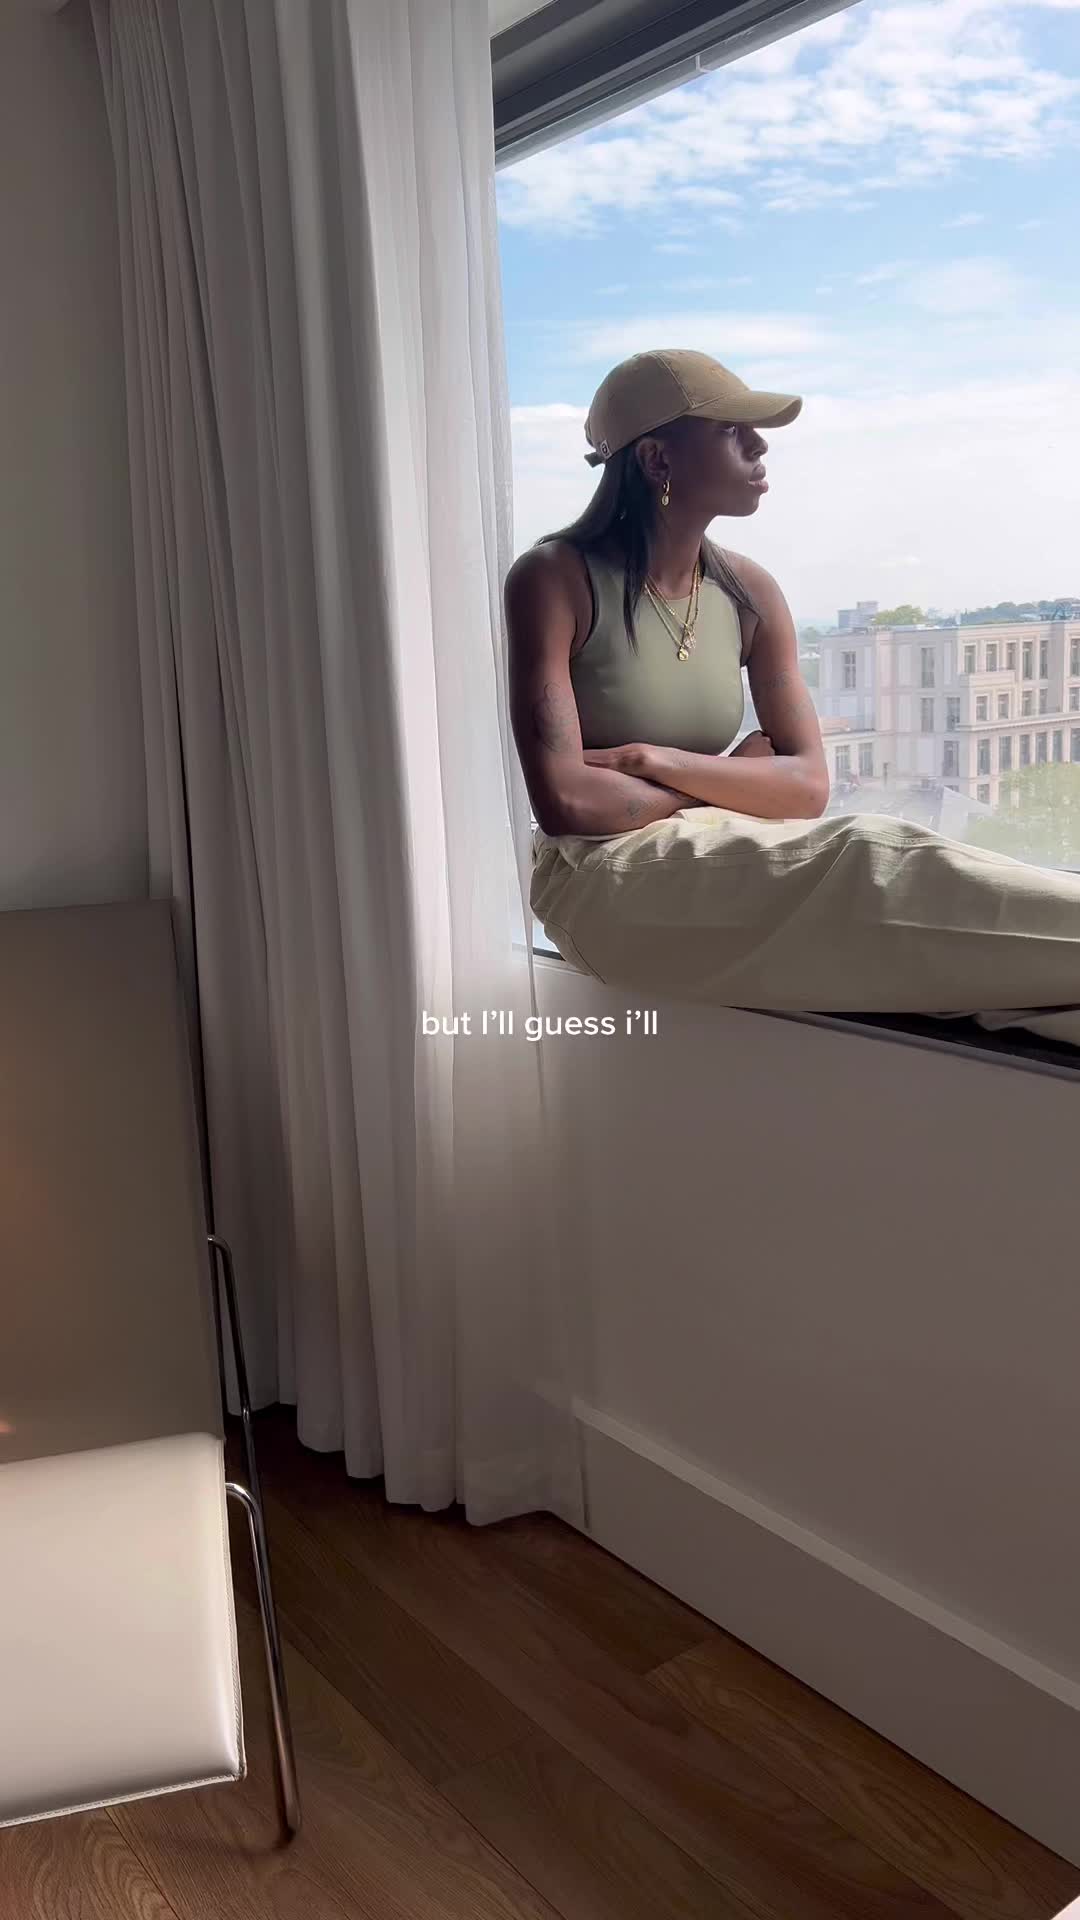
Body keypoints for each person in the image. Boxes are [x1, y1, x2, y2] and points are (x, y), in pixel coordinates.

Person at [505, 348, 1080, 1018]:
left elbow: (806, 789)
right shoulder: (554, 578)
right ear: (657, 460)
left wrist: (656, 762)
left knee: (1011, 996)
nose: (758, 444)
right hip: (600, 882)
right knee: (869, 855)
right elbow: (568, 803)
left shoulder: (749, 591)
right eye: (730, 429)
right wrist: (735, 779)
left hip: (711, 858)